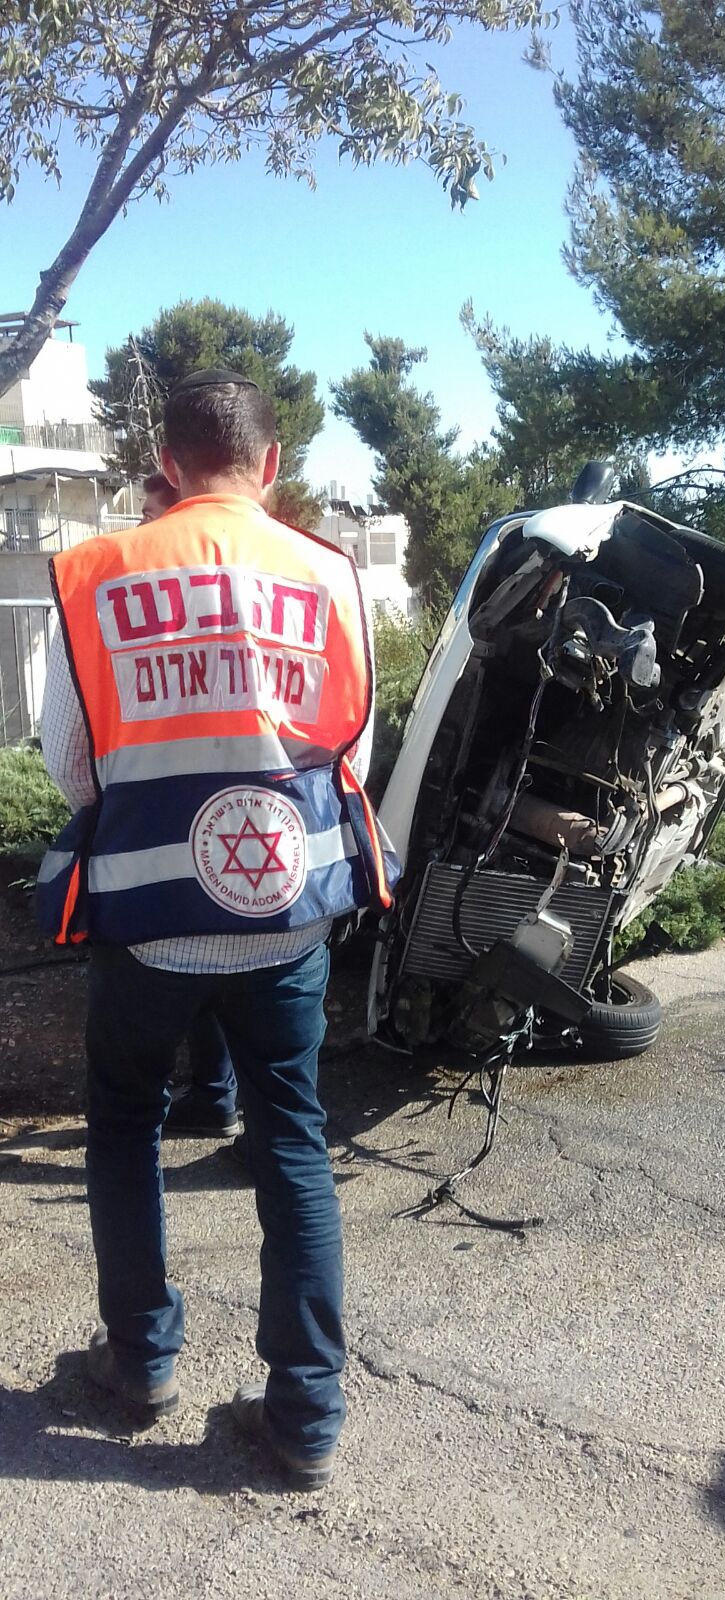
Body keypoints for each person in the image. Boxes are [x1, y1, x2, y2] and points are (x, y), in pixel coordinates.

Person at [37, 369, 397, 1489]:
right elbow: (354, 758)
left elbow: (68, 764)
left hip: (146, 919)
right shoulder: (331, 576)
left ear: (168, 463)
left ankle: (141, 1361)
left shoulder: (95, 573)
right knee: (292, 1137)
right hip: (282, 915)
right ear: (273, 462)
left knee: (123, 1123)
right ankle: (308, 1414)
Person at [138, 470, 241, 1140]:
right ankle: (214, 1095)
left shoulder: (147, 603)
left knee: (193, 980)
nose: (144, 524)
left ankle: (210, 1095)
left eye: (151, 511)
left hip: (181, 825)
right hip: (235, 823)